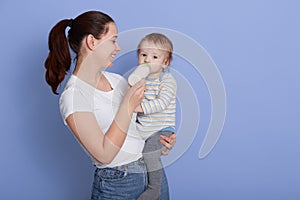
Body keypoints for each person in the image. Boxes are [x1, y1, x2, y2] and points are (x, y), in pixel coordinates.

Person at [44, 10, 176, 200]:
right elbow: (104, 155)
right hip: (118, 182)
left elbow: (138, 129)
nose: (118, 47)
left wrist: (161, 139)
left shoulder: (117, 81)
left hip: (150, 173)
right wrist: (127, 106)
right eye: (113, 40)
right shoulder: (73, 97)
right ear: (92, 42)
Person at [128, 33, 176, 200]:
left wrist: (138, 107)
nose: (147, 60)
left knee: (150, 153)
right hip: (143, 128)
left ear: (165, 62)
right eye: (143, 55)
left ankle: (154, 188)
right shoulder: (141, 79)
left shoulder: (167, 80)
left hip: (161, 129)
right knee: (132, 149)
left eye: (154, 56)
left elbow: (162, 102)